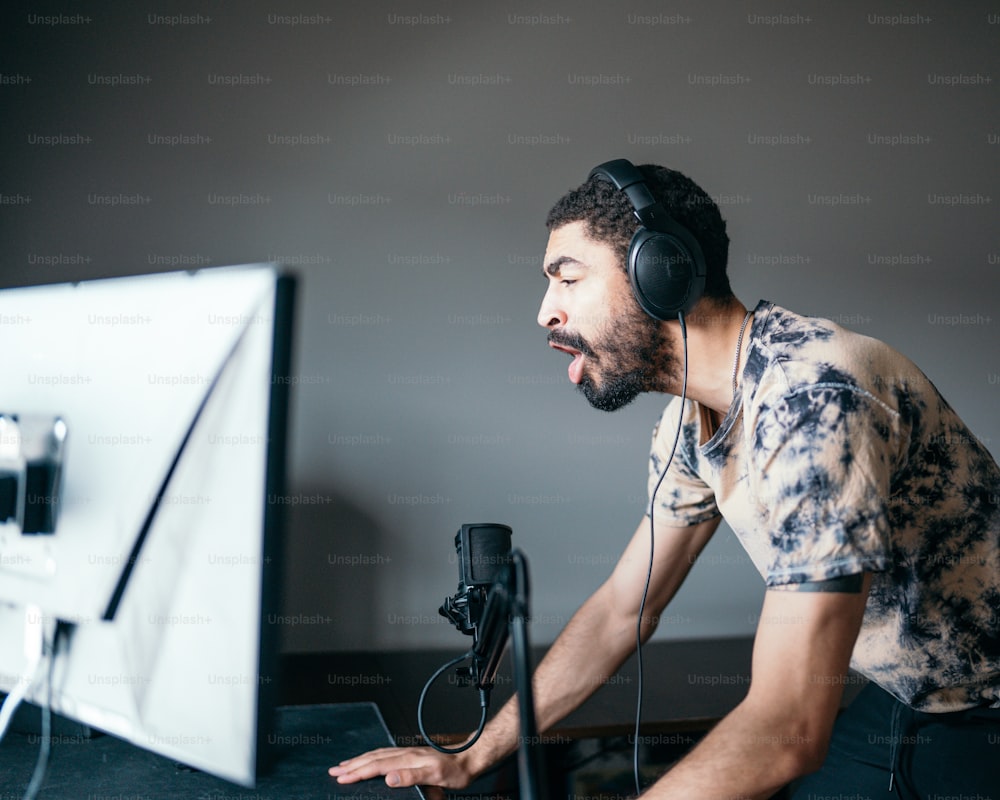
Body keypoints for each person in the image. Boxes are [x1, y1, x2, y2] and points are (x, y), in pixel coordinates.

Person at [330, 160, 1000, 798]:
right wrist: (472, 756)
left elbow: (788, 729)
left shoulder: (813, 399)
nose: (545, 312)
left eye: (567, 279)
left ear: (662, 272)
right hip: (901, 700)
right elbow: (627, 607)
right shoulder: (693, 420)